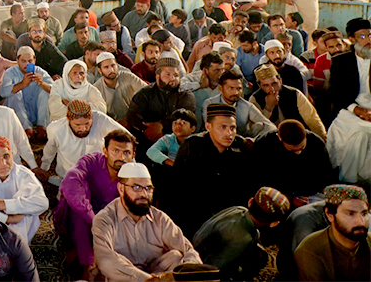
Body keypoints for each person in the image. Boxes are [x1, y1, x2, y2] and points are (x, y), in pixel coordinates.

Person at [91, 162, 201, 281]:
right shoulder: (105, 219)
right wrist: (146, 280)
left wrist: (186, 274)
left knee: (176, 256)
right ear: (121, 189)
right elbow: (106, 261)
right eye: (137, 187)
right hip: (124, 279)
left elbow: (188, 250)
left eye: (148, 188)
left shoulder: (160, 218)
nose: (144, 194)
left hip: (156, 276)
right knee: (115, 262)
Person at [53, 129, 137, 279]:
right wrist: (93, 219)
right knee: (77, 197)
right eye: (115, 151)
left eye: (126, 153)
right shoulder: (91, 161)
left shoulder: (134, 174)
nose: (121, 157)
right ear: (105, 151)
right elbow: (69, 182)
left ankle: (101, 261)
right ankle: (87, 265)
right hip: (82, 219)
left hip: (111, 224)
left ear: (133, 156)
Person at [172, 103, 253, 237]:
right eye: (223, 127)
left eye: (233, 128)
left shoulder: (240, 146)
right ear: (208, 127)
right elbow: (178, 190)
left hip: (231, 217)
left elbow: (247, 186)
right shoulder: (192, 147)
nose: (229, 133)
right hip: (195, 217)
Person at [192, 186, 292, 280]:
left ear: (250, 202)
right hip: (200, 264)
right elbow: (213, 267)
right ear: (274, 223)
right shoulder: (244, 238)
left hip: (196, 245)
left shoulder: (238, 209)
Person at [326, 17, 371, 184]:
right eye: (363, 36)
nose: (368, 40)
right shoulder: (341, 61)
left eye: (370, 35)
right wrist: (358, 110)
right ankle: (348, 182)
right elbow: (335, 94)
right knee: (358, 134)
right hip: (350, 110)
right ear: (351, 39)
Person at [294, 184, 370, 282]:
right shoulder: (310, 251)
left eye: (364, 214)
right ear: (330, 215)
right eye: (350, 214)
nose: (360, 222)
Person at [37, 100, 124, 184]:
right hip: (68, 177)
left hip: (98, 176)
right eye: (77, 125)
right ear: (68, 120)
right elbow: (50, 150)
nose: (83, 129)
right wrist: (44, 169)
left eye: (87, 124)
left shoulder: (100, 119)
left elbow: (126, 139)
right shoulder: (56, 129)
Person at [251, 63, 327, 138]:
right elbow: (256, 129)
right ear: (260, 85)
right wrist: (268, 108)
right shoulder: (255, 99)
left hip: (297, 136)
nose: (272, 89)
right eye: (266, 85)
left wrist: (322, 139)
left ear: (280, 81)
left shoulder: (294, 94)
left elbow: (312, 120)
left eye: (274, 83)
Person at [93, 52, 145, 125]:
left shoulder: (128, 76)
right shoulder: (96, 88)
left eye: (113, 65)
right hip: (111, 124)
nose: (111, 70)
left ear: (117, 65)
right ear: (99, 70)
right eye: (106, 67)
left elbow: (146, 91)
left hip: (134, 118)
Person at [47, 59, 105, 123]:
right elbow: (55, 109)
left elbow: (101, 109)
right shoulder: (58, 86)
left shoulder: (90, 88)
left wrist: (71, 104)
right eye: (74, 73)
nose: (78, 77)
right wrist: (85, 110)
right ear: (67, 74)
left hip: (85, 125)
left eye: (81, 73)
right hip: (62, 124)